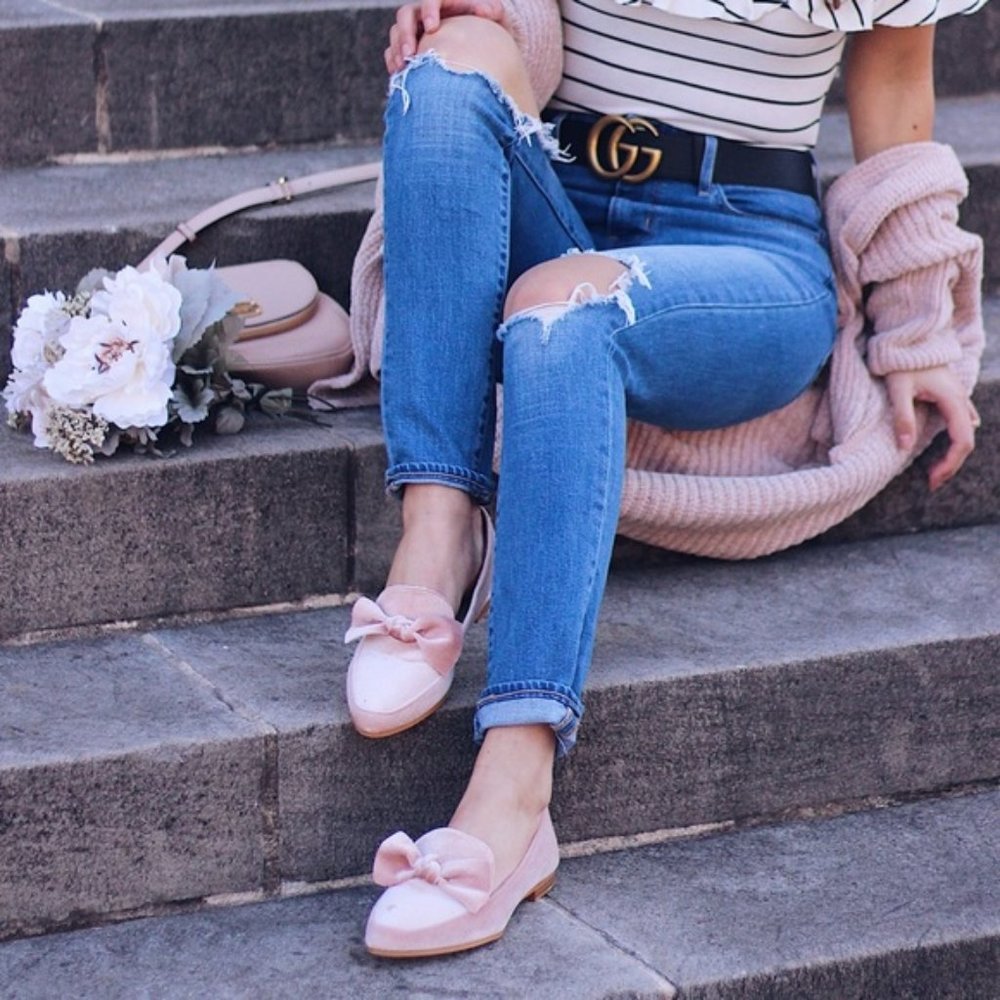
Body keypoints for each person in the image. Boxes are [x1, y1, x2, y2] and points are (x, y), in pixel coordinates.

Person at [332, 0, 987, 959]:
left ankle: (514, 786)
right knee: (450, 65)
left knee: (566, 310)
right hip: (554, 187)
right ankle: (439, 533)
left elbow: (891, 74)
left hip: (745, 241)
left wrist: (918, 320)